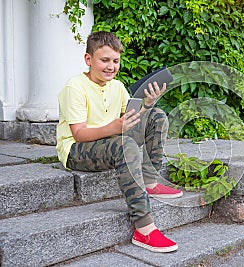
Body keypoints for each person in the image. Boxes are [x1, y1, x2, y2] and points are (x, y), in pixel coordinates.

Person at [56, 31, 182, 253]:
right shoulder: (74, 87)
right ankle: (144, 229)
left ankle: (150, 183)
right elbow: (79, 134)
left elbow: (133, 122)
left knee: (157, 117)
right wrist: (115, 128)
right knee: (125, 145)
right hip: (76, 150)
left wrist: (148, 104)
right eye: (104, 60)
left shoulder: (118, 86)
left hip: (112, 141)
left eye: (115, 61)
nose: (110, 66)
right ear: (89, 60)